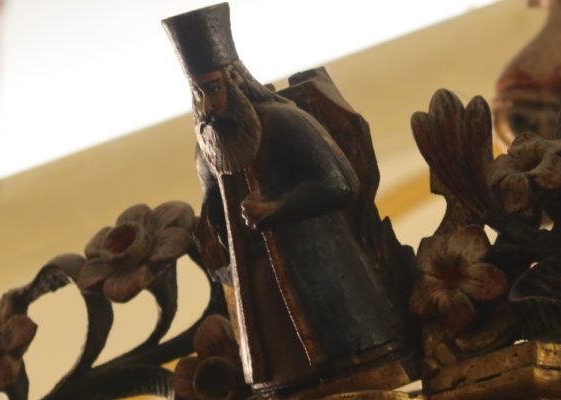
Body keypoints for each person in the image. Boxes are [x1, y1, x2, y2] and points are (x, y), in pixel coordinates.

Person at [163, 3, 405, 393]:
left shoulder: (284, 122)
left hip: (320, 265)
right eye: (198, 94)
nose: (207, 107)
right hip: (259, 284)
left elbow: (340, 183)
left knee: (352, 365)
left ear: (235, 81)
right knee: (286, 378)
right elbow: (215, 214)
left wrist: (279, 207)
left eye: (213, 90)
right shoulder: (206, 152)